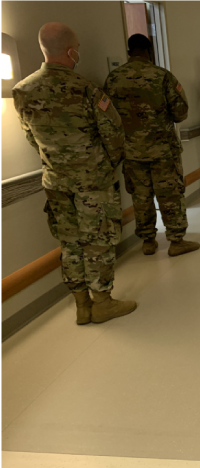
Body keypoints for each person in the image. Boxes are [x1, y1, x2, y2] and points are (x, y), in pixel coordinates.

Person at [12, 22, 136, 324]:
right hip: (93, 180)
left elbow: (32, 137)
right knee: (98, 241)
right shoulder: (86, 89)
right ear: (71, 51)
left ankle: (81, 305)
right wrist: (106, 164)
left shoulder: (22, 91)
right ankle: (102, 302)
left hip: (55, 181)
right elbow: (114, 134)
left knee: (69, 243)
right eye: (77, 47)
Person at [104, 34, 200, 258]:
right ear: (149, 51)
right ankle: (176, 240)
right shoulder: (162, 76)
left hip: (131, 151)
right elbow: (181, 113)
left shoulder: (113, 79)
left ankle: (148, 240)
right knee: (170, 194)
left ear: (129, 51)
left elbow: (106, 116)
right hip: (162, 150)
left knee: (141, 196)